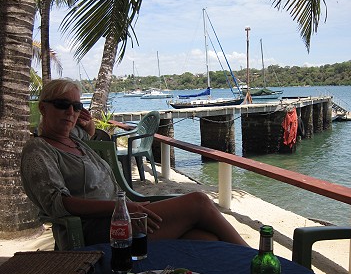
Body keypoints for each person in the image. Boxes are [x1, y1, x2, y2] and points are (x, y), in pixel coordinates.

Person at [21, 79, 248, 247]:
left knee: (204, 238)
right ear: (43, 108)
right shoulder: (39, 150)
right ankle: (259, 262)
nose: (71, 112)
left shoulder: (72, 139)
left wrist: (87, 123)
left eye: (77, 106)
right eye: (62, 104)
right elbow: (59, 203)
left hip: (124, 216)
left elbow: (88, 133)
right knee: (199, 201)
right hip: (99, 230)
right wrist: (123, 208)